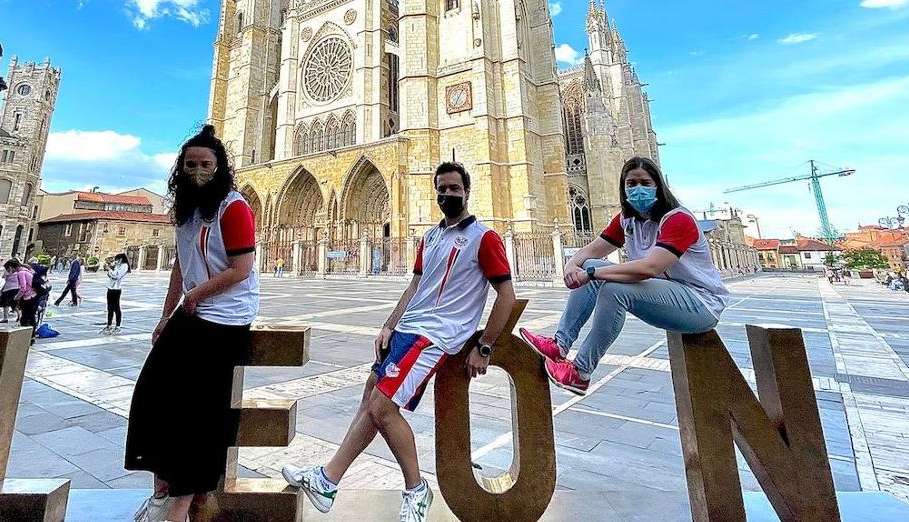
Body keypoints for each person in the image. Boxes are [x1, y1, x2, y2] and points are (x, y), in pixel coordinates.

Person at [282, 161, 515, 522]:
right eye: (442, 189)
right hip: (408, 330)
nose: (447, 195)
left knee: (382, 408)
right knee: (369, 402)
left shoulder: (484, 238)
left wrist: (485, 345)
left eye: (454, 188)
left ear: (467, 191)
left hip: (434, 336)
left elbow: (506, 297)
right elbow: (415, 286)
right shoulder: (432, 237)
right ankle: (327, 480)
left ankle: (415, 489)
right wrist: (389, 324)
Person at [126, 125, 258, 522]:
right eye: (191, 164)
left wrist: (196, 296)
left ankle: (177, 509)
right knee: (151, 396)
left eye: (205, 164)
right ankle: (162, 489)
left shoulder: (233, 207)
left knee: (197, 413)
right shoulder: (185, 211)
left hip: (226, 317)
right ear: (180, 168)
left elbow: (242, 269)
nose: (198, 171)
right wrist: (165, 316)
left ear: (220, 168)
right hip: (193, 313)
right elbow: (180, 269)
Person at [519, 156, 729, 395]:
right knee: (590, 263)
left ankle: (581, 372)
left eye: (645, 183)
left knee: (612, 288)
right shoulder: (627, 220)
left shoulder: (678, 219)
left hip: (700, 303)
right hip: (664, 294)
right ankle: (560, 344)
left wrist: (592, 273)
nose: (638, 189)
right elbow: (594, 250)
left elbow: (649, 268)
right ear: (623, 187)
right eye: (631, 183)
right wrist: (573, 264)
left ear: (658, 186)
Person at [102, 253, 130, 334]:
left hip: (116, 289)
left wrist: (109, 270)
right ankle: (109, 325)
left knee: (116, 308)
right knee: (109, 308)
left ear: (121, 259)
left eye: (117, 259)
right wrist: (110, 270)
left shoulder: (124, 266)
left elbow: (117, 275)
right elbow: (111, 275)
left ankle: (118, 326)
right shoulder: (118, 266)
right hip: (110, 288)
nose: (116, 261)